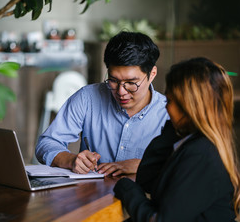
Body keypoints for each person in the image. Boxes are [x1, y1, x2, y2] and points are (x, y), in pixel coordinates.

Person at [114, 57, 240, 221]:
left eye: (170, 101)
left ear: (189, 106)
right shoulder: (189, 142)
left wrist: (126, 188)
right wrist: (175, 128)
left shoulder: (201, 153)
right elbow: (147, 180)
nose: (166, 107)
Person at [35, 31, 169, 176]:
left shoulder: (168, 112)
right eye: (113, 80)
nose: (121, 91)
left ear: (152, 75)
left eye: (131, 83)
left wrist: (145, 165)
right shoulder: (87, 98)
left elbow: (188, 164)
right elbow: (46, 143)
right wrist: (71, 160)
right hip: (92, 195)